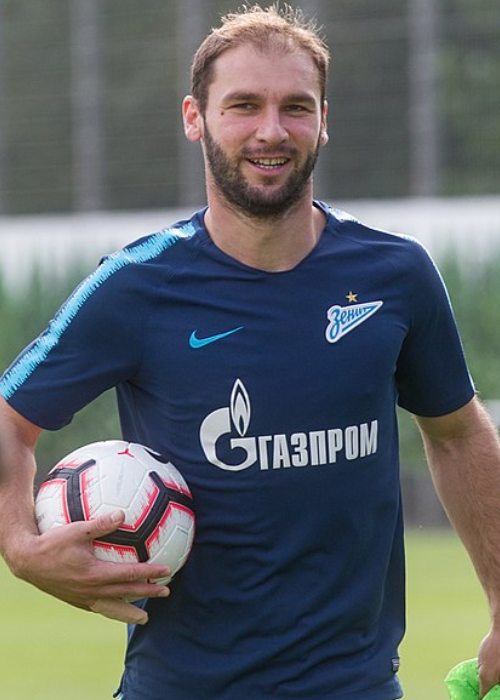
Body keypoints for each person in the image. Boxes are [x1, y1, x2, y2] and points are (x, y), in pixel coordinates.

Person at [0, 4, 499, 699]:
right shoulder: (138, 286)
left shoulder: (396, 277)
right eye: (243, 106)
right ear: (194, 118)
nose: (272, 130)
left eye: (296, 106)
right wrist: (22, 549)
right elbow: (8, 421)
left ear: (324, 118)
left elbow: (457, 436)